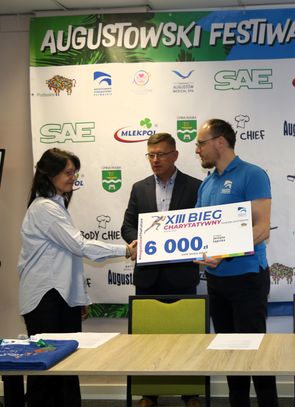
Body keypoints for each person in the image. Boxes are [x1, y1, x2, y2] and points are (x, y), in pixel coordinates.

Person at [15, 148, 137, 407]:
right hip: (45, 299)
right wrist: (125, 250)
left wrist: (79, 297)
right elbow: (79, 246)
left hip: (60, 297)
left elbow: (69, 260)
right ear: (50, 174)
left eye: (75, 173)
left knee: (68, 366)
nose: (73, 178)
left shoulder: (56, 206)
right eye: (69, 173)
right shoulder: (44, 208)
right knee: (46, 372)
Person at [194, 119, 278, 407]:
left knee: (256, 353)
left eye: (201, 143)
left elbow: (262, 229)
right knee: (231, 354)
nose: (197, 150)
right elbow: (198, 230)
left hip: (247, 278)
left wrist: (224, 253)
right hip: (217, 281)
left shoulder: (252, 175)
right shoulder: (206, 184)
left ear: (220, 142)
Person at [121, 132, 202, 407]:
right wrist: (140, 240)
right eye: (151, 155)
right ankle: (149, 393)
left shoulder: (195, 187)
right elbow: (127, 225)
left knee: (187, 336)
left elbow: (202, 226)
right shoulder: (139, 188)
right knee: (147, 338)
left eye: (161, 155)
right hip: (148, 276)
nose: (155, 160)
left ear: (175, 155)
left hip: (182, 275)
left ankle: (190, 393)